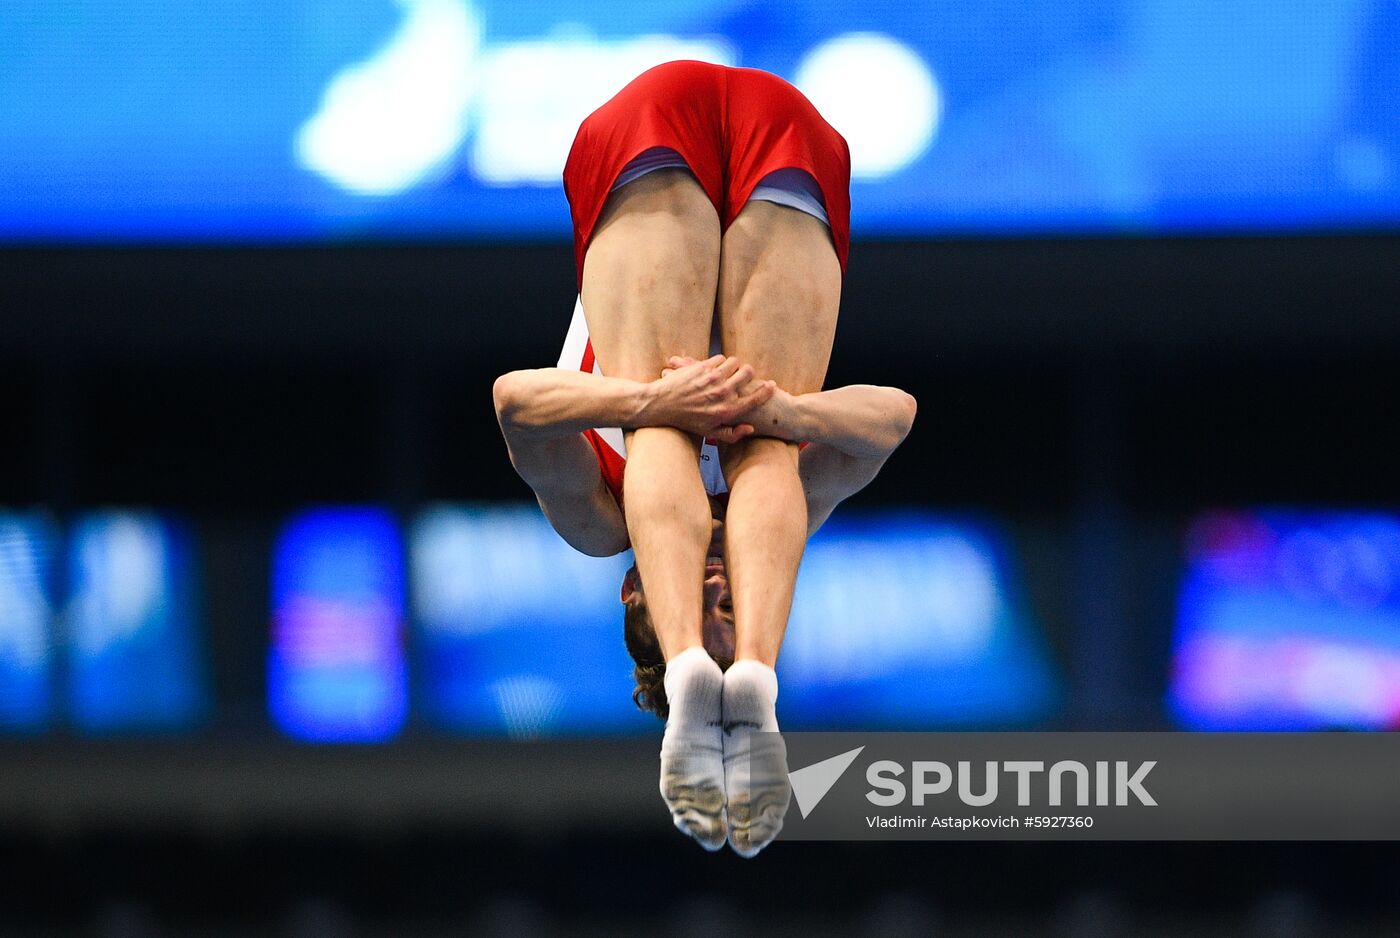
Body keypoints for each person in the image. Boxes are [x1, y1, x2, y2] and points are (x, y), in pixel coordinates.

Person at [491, 60, 915, 856]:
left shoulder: (598, 518)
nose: (720, 584)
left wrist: (650, 403)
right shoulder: (796, 509)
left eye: (699, 602)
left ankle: (697, 674)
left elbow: (514, 402)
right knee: (768, 455)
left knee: (666, 441)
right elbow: (894, 419)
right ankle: (755, 677)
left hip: (654, 131)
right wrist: (783, 413)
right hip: (784, 125)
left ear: (632, 591)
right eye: (733, 610)